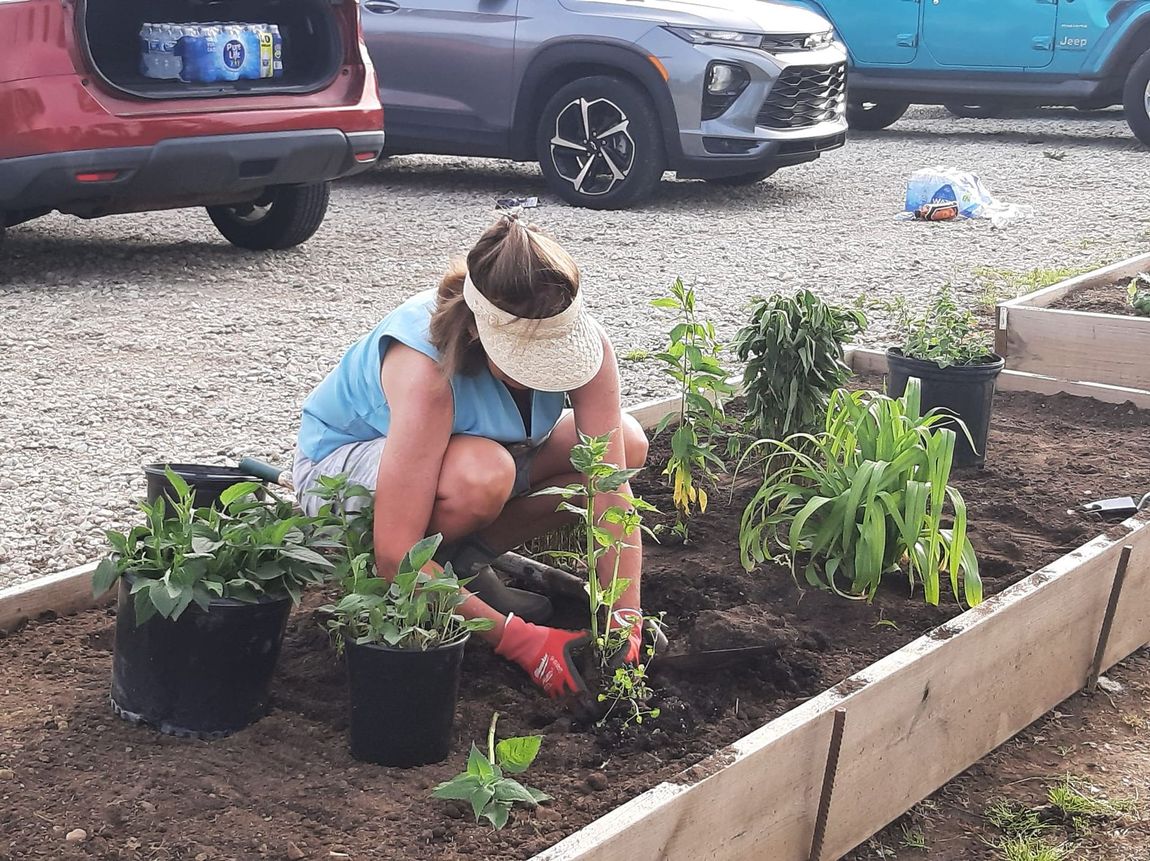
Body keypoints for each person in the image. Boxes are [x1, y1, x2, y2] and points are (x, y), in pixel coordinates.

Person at [292, 216, 654, 699]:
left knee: (624, 443)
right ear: (482, 333)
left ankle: (460, 568)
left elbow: (611, 490)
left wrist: (625, 618)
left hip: (476, 457)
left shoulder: (586, 344)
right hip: (347, 473)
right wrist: (521, 641)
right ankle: (444, 580)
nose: (547, 374)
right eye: (531, 362)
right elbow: (395, 553)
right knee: (482, 475)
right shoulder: (426, 372)